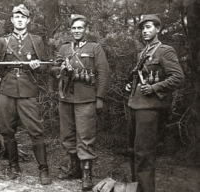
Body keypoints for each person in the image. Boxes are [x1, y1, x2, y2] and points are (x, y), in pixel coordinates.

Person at [50, 14, 111, 191]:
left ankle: (86, 174)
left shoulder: (95, 48)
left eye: (80, 28)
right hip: (66, 97)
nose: (77, 31)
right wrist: (60, 70)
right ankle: (74, 168)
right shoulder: (64, 48)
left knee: (85, 136)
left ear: (86, 30)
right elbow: (53, 68)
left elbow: (104, 74)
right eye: (74, 28)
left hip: (86, 98)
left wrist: (99, 98)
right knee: (67, 135)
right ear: (71, 30)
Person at [125, 14, 184, 192]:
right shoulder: (142, 53)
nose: (145, 31)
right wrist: (131, 86)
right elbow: (141, 79)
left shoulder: (165, 51)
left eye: (149, 27)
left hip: (150, 109)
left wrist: (155, 88)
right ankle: (138, 188)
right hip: (135, 106)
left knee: (144, 153)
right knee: (132, 151)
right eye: (143, 28)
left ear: (158, 29)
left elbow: (178, 77)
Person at [0, 4, 51, 185]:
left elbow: (44, 67)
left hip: (27, 90)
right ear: (12, 20)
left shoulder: (36, 40)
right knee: (6, 130)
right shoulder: (4, 41)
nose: (19, 20)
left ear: (27, 20)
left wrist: (36, 65)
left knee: (36, 131)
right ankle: (14, 166)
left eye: (23, 17)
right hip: (8, 90)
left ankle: (43, 169)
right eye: (16, 17)